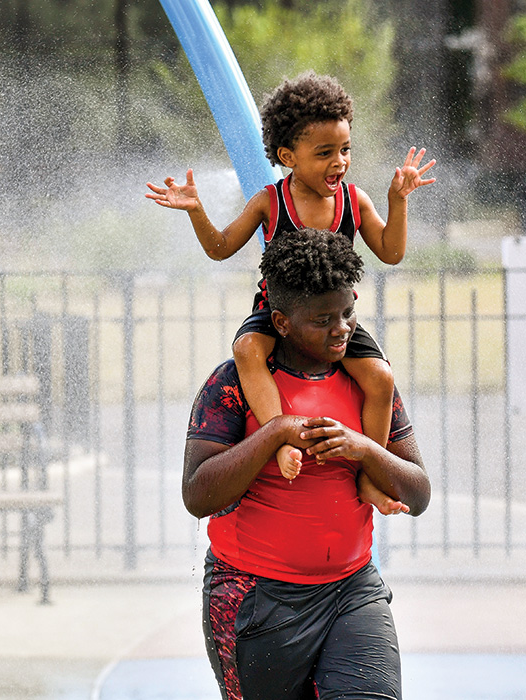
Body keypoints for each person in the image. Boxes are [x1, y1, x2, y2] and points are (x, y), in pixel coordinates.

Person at [149, 71, 436, 499]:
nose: (339, 161)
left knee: (379, 377)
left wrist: (397, 201)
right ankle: (280, 437)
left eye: (345, 149)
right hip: (277, 312)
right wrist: (196, 211)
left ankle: (367, 475)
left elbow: (391, 252)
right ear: (288, 155)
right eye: (324, 153)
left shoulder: (354, 201)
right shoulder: (270, 200)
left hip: (334, 320)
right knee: (247, 348)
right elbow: (221, 248)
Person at [184, 227, 431, 700]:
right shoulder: (235, 385)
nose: (342, 329)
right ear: (281, 322)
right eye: (322, 320)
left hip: (351, 591)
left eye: (347, 313)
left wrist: (363, 449)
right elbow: (197, 495)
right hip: (254, 597)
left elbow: (417, 494)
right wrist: (275, 431)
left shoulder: (367, 381)